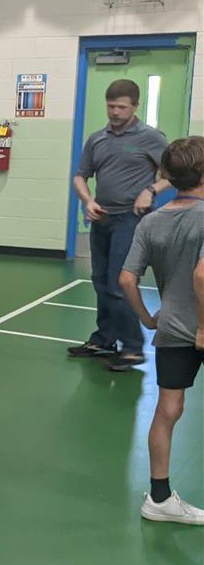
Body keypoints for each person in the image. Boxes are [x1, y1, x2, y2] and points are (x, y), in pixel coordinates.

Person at [119, 136, 204, 525]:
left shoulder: (151, 221)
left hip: (170, 327)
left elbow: (126, 280)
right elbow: (203, 275)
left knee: (168, 409)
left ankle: (158, 497)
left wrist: (148, 319)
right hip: (201, 327)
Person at [70, 79, 170, 372]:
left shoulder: (151, 137)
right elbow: (80, 176)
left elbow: (175, 173)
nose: (114, 112)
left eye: (121, 107)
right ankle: (104, 339)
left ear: (135, 106)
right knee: (100, 281)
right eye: (111, 106)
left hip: (131, 219)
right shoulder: (97, 138)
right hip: (101, 218)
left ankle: (132, 347)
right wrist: (87, 201)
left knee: (119, 282)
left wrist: (150, 190)